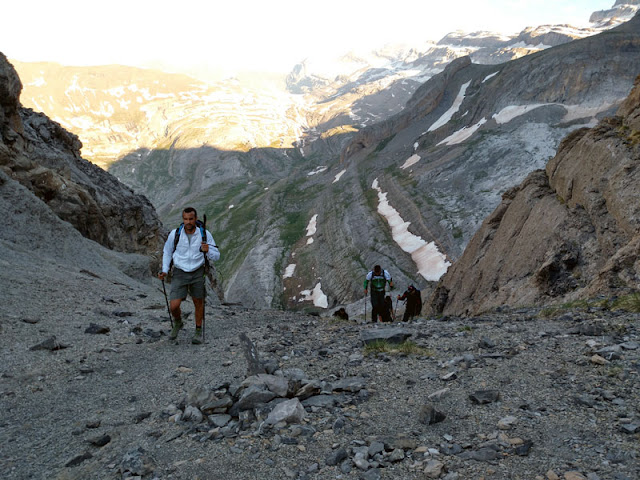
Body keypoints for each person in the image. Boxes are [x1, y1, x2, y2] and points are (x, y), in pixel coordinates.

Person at [158, 207, 220, 344]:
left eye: (191, 219)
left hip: (198, 271)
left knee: (198, 302)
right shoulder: (175, 234)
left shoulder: (204, 234)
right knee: (174, 305)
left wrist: (208, 249)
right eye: (185, 219)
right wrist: (165, 270)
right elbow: (167, 252)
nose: (188, 222)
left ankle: (198, 331)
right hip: (179, 272)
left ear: (195, 219)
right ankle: (178, 322)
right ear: (183, 219)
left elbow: (216, 256)